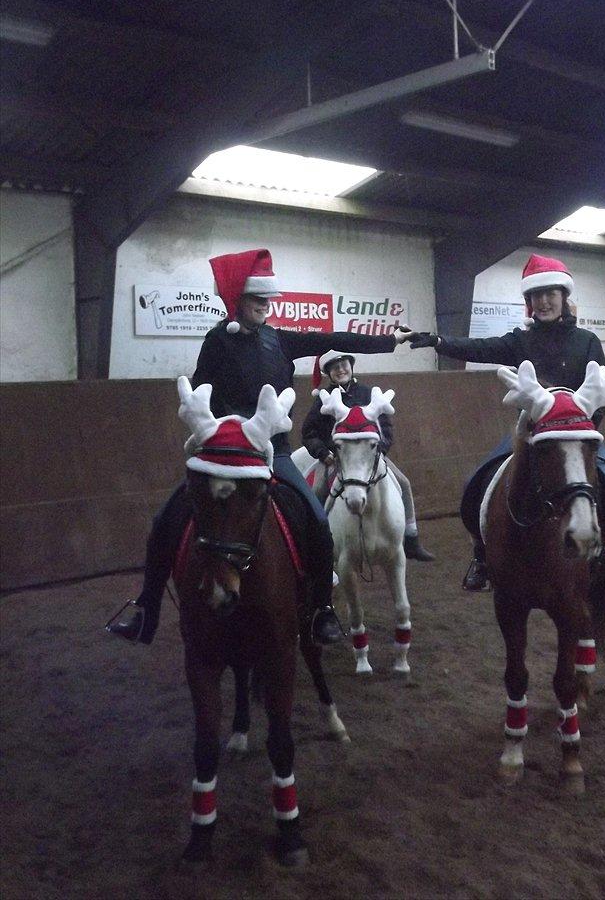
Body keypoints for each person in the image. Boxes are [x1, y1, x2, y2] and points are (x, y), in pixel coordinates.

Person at [107, 248, 411, 647]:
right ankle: (146, 609)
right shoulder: (215, 342)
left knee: (318, 524)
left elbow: (332, 337)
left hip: (274, 452)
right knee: (166, 518)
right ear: (238, 300)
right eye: (257, 300)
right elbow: (202, 391)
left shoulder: (279, 340)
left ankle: (321, 609)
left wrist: (389, 340)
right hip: (226, 453)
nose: (265, 307)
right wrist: (215, 429)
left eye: (267, 300)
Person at [402, 254, 605, 602]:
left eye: (551, 294)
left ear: (563, 297)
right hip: (530, 434)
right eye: (536, 296)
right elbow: (480, 348)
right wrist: (438, 341)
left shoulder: (587, 341)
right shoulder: (521, 340)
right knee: (478, 483)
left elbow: (601, 391)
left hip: (577, 436)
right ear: (528, 302)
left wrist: (584, 431)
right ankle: (481, 557)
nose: (543, 302)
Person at [301, 350, 435, 561]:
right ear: (329, 373)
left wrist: (378, 451)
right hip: (335, 458)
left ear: (351, 366)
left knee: (404, 483)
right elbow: (309, 434)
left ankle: (411, 539)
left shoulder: (369, 393)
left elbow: (386, 429)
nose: (341, 370)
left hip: (370, 458)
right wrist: (323, 452)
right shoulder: (322, 401)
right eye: (335, 368)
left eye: (344, 364)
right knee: (316, 490)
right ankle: (317, 544)